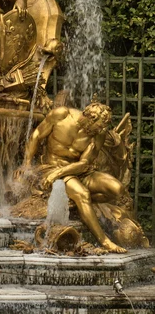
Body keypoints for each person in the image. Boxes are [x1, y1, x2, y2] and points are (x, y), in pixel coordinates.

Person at [22, 99, 127, 253]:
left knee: (117, 189)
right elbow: (36, 135)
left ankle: (78, 204)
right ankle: (105, 241)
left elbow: (84, 163)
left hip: (77, 171)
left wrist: (59, 173)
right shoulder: (61, 115)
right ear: (89, 117)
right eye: (98, 126)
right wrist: (27, 164)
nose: (100, 130)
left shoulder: (99, 133)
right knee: (82, 194)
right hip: (51, 167)